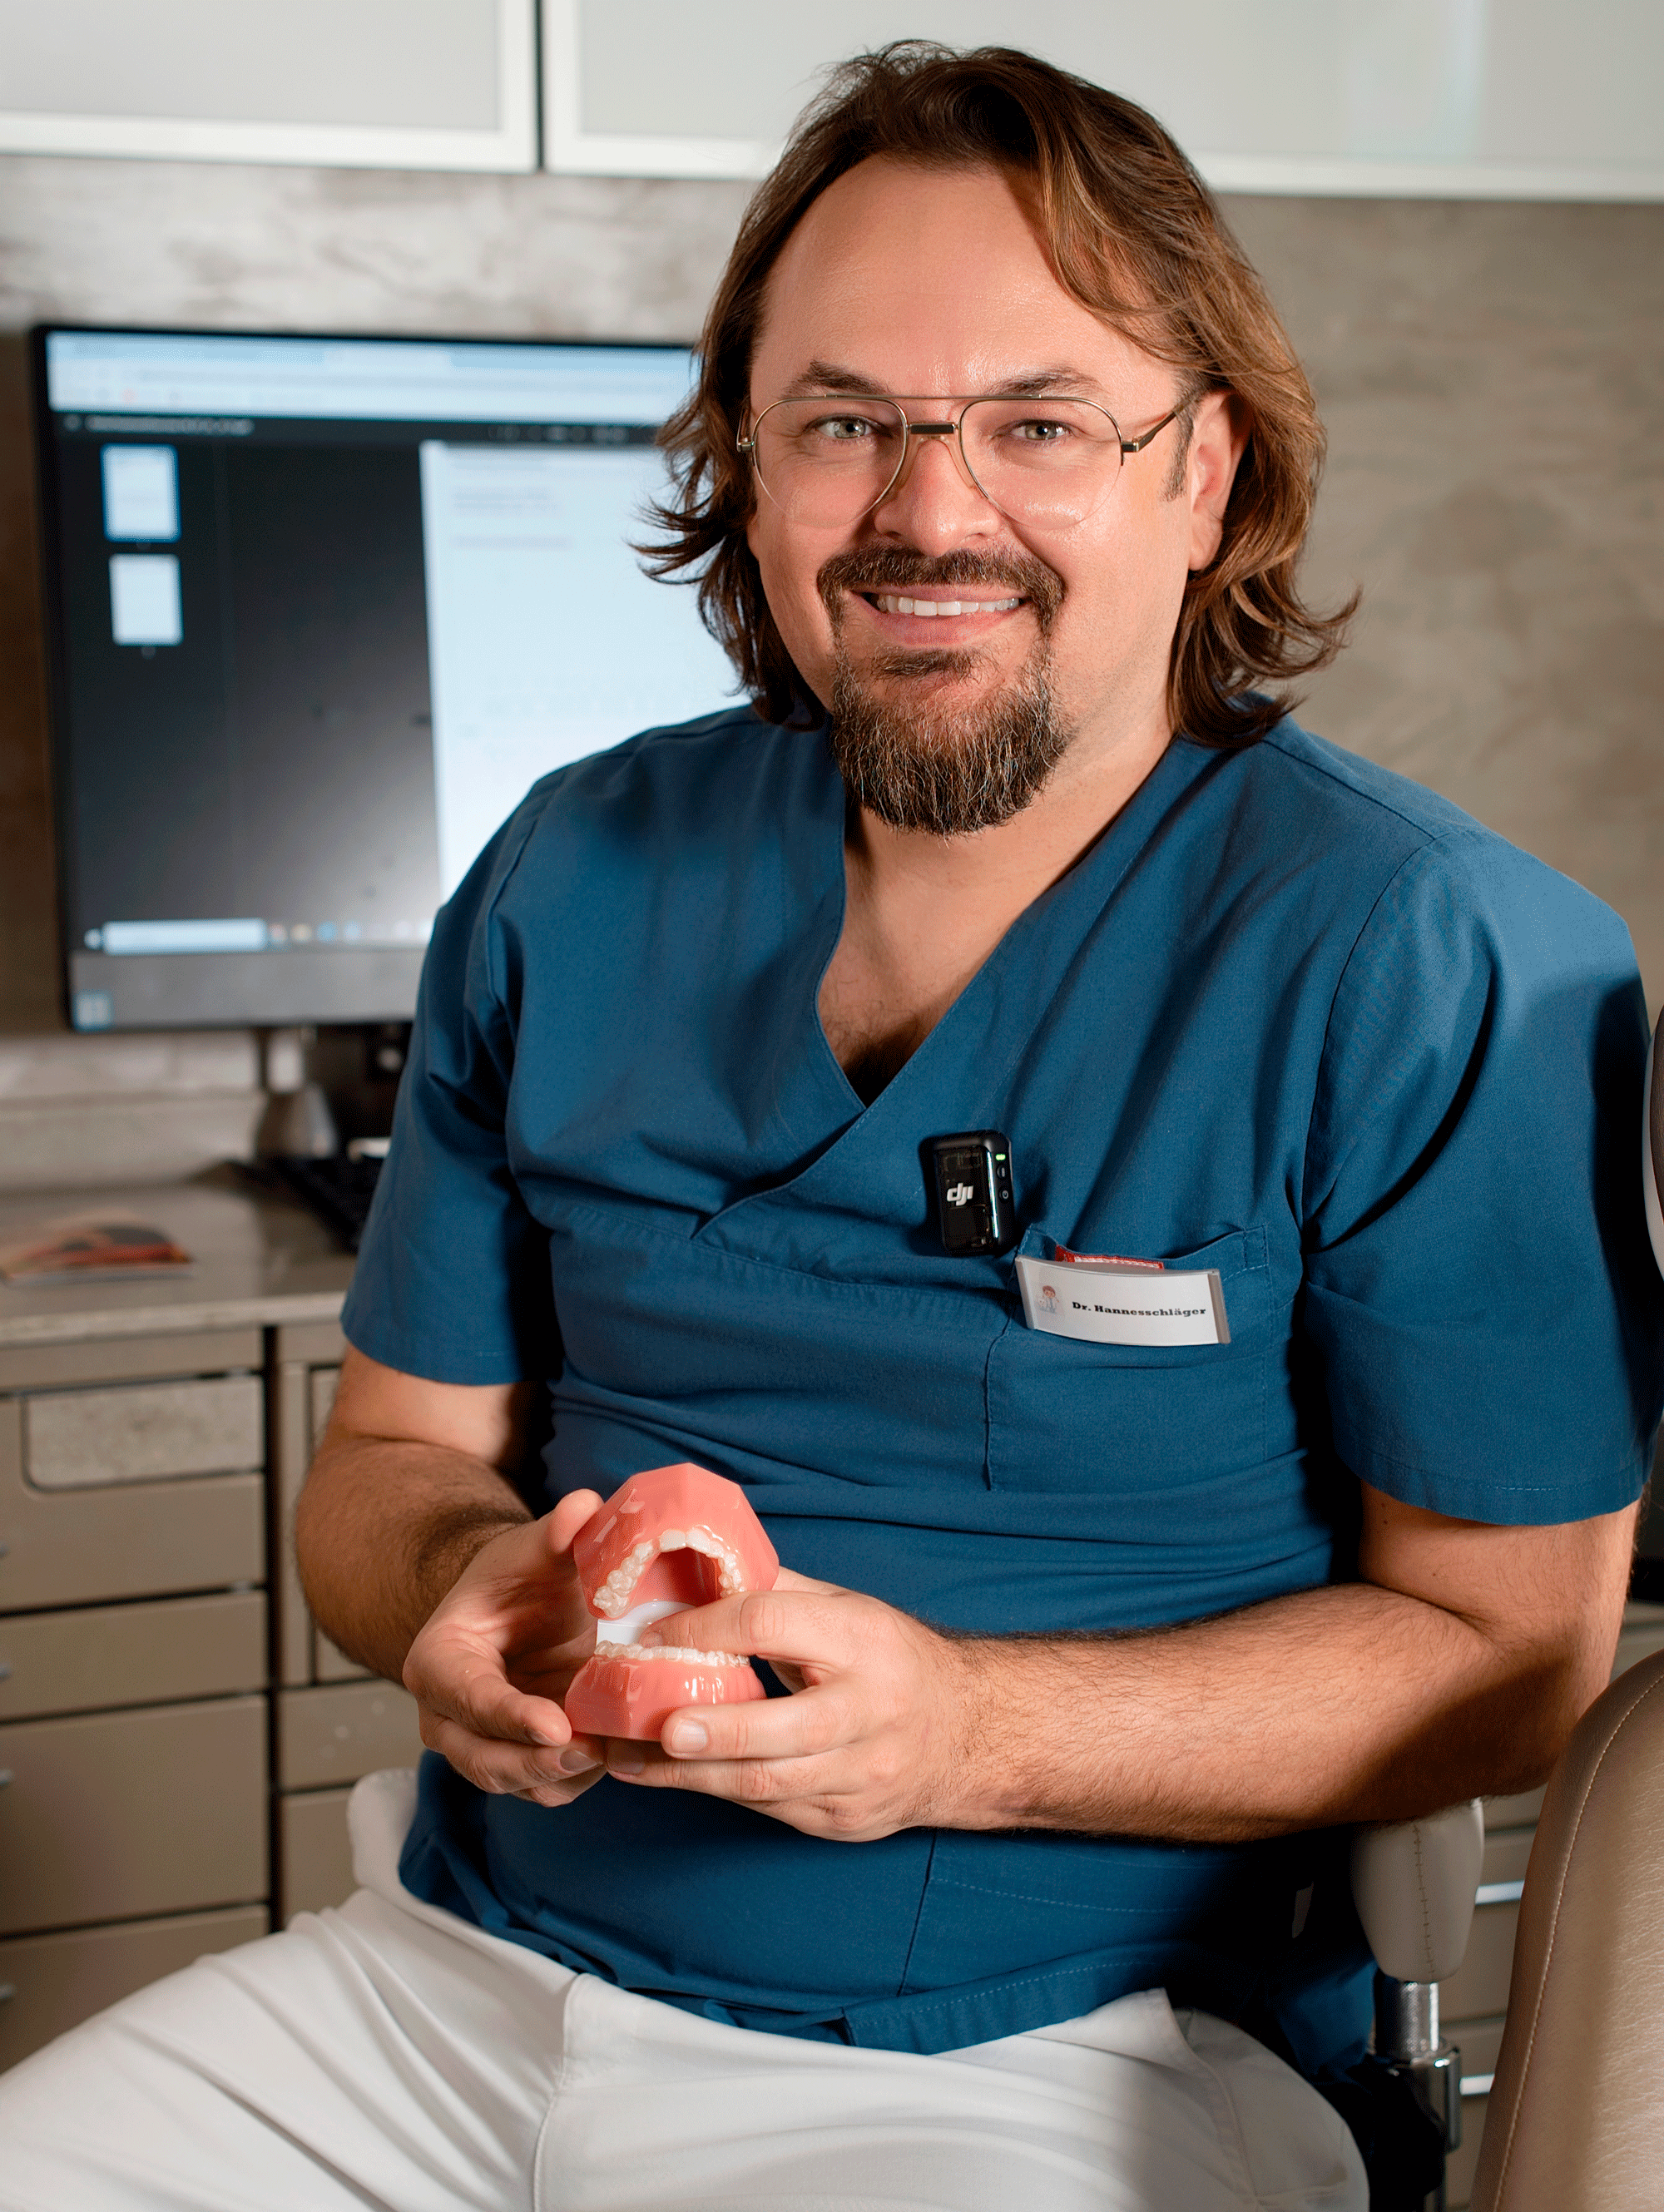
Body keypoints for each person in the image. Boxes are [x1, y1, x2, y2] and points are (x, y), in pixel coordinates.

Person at [2, 41, 1659, 2212]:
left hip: (1048, 2062)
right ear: (748, 468)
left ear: (1210, 476)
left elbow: (1508, 1667)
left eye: (1040, 422)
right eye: (845, 422)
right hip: (445, 1993)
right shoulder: (569, 875)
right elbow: (389, 1470)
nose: (928, 508)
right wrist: (467, 1592)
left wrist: (968, 1732)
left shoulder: (1438, 966)